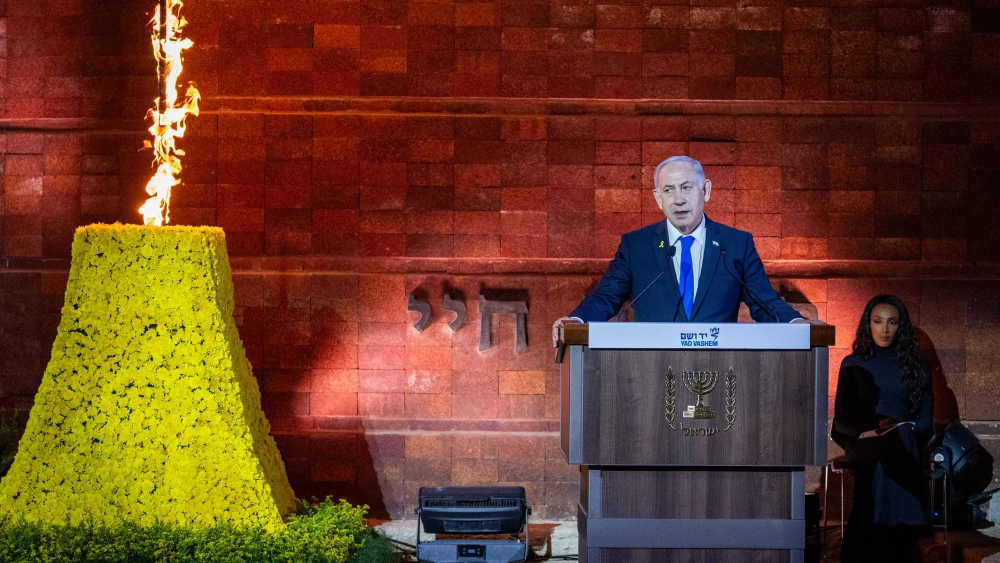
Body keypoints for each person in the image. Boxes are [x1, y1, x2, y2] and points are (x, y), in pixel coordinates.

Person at [552, 155, 806, 346]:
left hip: (719, 369)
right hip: (651, 371)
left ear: (705, 190)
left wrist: (798, 325)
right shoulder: (636, 246)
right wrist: (577, 321)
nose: (678, 199)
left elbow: (765, 301)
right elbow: (606, 297)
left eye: (686, 187)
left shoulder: (736, 244)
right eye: (669, 190)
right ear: (657, 197)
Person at [831, 295, 934, 563]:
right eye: (878, 322)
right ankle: (911, 539)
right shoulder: (853, 364)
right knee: (883, 453)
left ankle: (887, 543)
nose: (885, 330)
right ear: (868, 324)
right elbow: (840, 423)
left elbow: (925, 423)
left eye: (892, 322)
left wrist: (901, 434)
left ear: (902, 326)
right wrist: (871, 434)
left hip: (905, 446)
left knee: (897, 443)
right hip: (865, 446)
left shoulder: (916, 364)